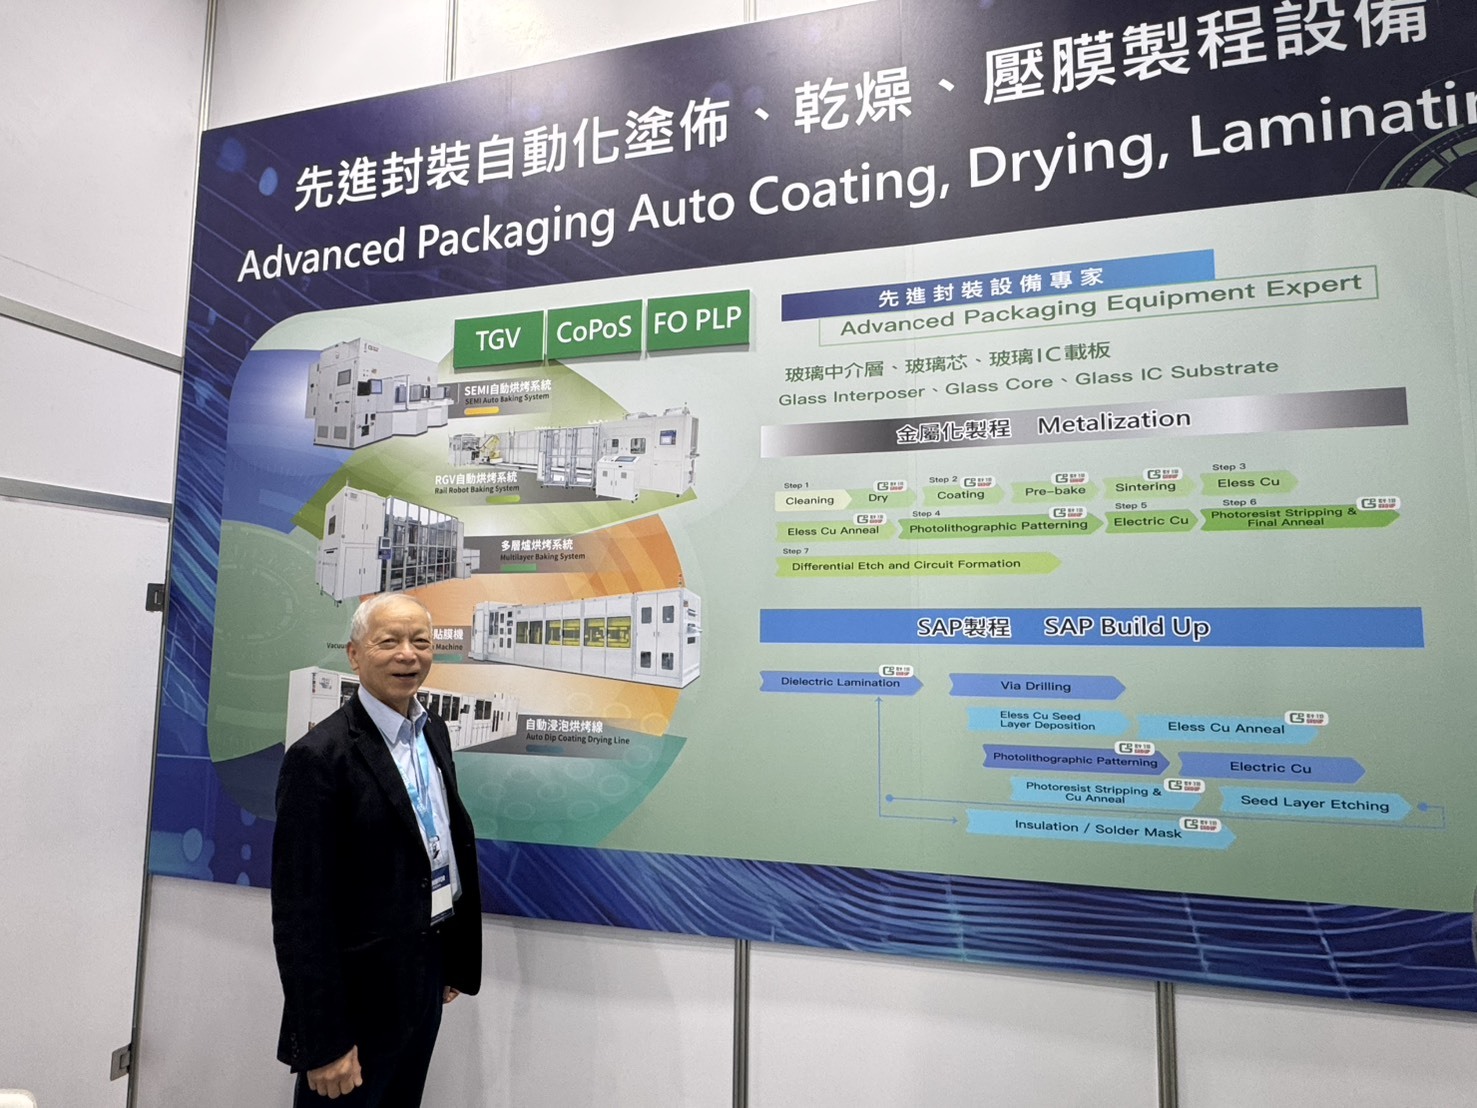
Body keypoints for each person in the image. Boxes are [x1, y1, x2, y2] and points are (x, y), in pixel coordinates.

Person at [272, 593, 482, 1105]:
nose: (407, 654)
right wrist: (323, 1041)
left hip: (423, 969)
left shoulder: (433, 731)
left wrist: (447, 959)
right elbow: (301, 912)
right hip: (357, 994)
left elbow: (436, 849)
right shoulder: (320, 758)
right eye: (388, 642)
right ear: (354, 655)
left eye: (421, 642)